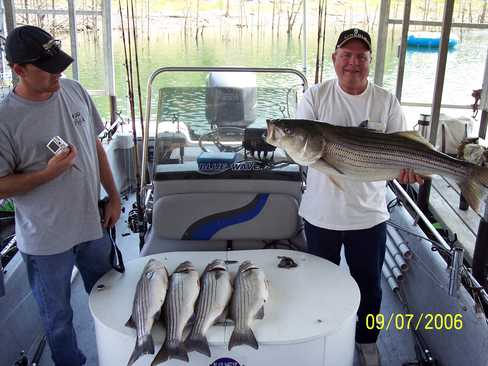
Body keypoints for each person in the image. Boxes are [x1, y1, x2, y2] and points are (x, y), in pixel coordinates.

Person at [296, 28, 423, 366]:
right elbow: (300, 149)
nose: (353, 63)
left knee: (370, 287)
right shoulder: (315, 97)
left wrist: (410, 170)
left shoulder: (385, 100)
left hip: (369, 216)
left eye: (361, 57)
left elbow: (407, 149)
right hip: (321, 214)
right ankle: (324, 336)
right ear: (334, 59)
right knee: (321, 282)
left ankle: (366, 342)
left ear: (369, 61)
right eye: (346, 55)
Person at [0, 25, 121, 366]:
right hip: (46, 241)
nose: (59, 73)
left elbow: (95, 146)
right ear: (18, 69)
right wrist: (47, 174)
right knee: (59, 319)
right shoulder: (5, 119)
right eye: (47, 67)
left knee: (110, 297)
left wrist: (113, 197)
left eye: (59, 64)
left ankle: (117, 354)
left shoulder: (74, 90)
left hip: (93, 224)